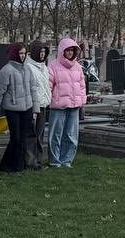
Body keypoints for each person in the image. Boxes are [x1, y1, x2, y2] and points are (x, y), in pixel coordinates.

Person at [0, 42, 35, 174]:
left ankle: (19, 166)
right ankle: (7, 165)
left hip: (27, 108)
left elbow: (33, 89)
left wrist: (35, 109)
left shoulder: (28, 69)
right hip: (13, 109)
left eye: (24, 53)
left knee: (22, 138)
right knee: (15, 138)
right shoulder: (7, 70)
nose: (23, 56)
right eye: (20, 53)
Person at [47, 36, 87, 168]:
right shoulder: (53, 66)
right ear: (62, 51)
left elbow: (82, 86)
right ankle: (54, 161)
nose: (70, 52)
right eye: (67, 50)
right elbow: (48, 86)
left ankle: (66, 160)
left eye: (72, 50)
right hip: (58, 106)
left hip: (74, 106)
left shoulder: (78, 67)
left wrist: (82, 101)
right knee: (55, 134)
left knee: (71, 135)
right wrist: (49, 100)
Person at [25, 41, 52, 170]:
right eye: (40, 52)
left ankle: (38, 161)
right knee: (32, 136)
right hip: (34, 106)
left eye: (44, 52)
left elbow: (45, 85)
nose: (42, 54)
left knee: (40, 135)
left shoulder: (44, 67)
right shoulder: (28, 67)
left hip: (43, 104)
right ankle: (31, 161)